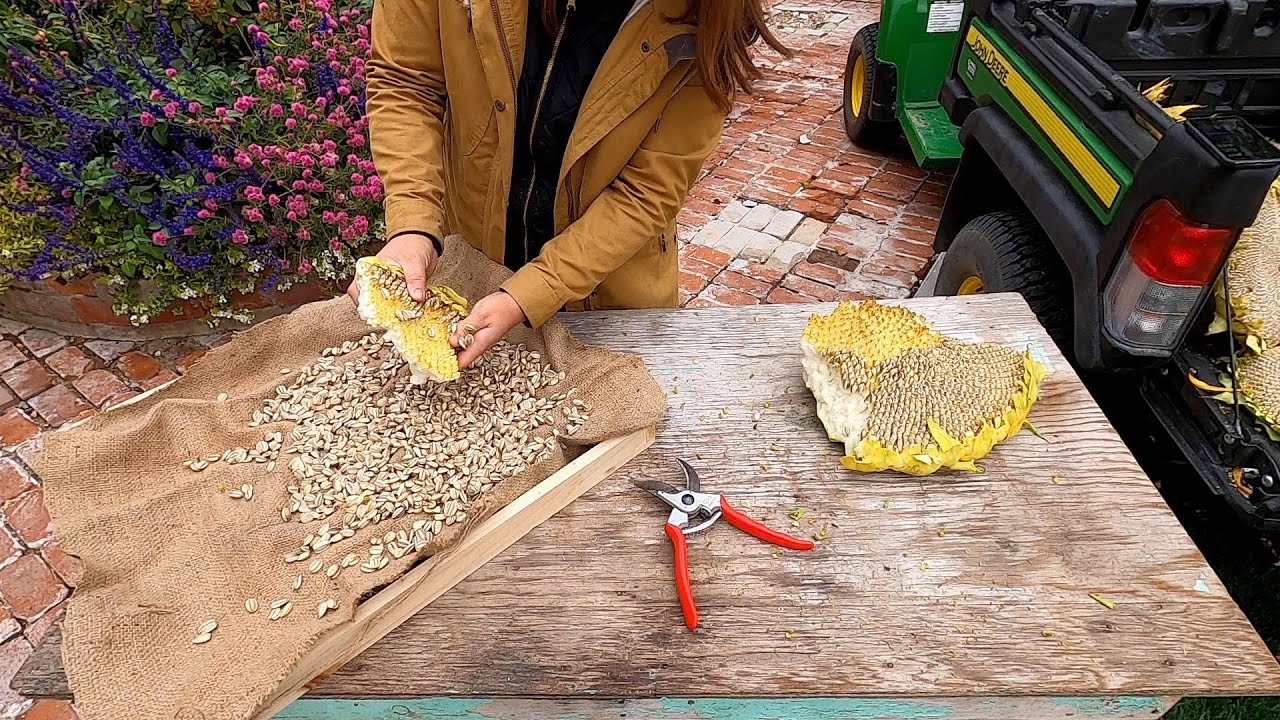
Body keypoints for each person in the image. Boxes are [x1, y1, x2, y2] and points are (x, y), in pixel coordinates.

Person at [352, 0, 786, 367]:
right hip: (473, 260)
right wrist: (413, 222)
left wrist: (528, 295)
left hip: (608, 304)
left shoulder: (711, 17)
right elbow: (407, 81)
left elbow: (646, 191)